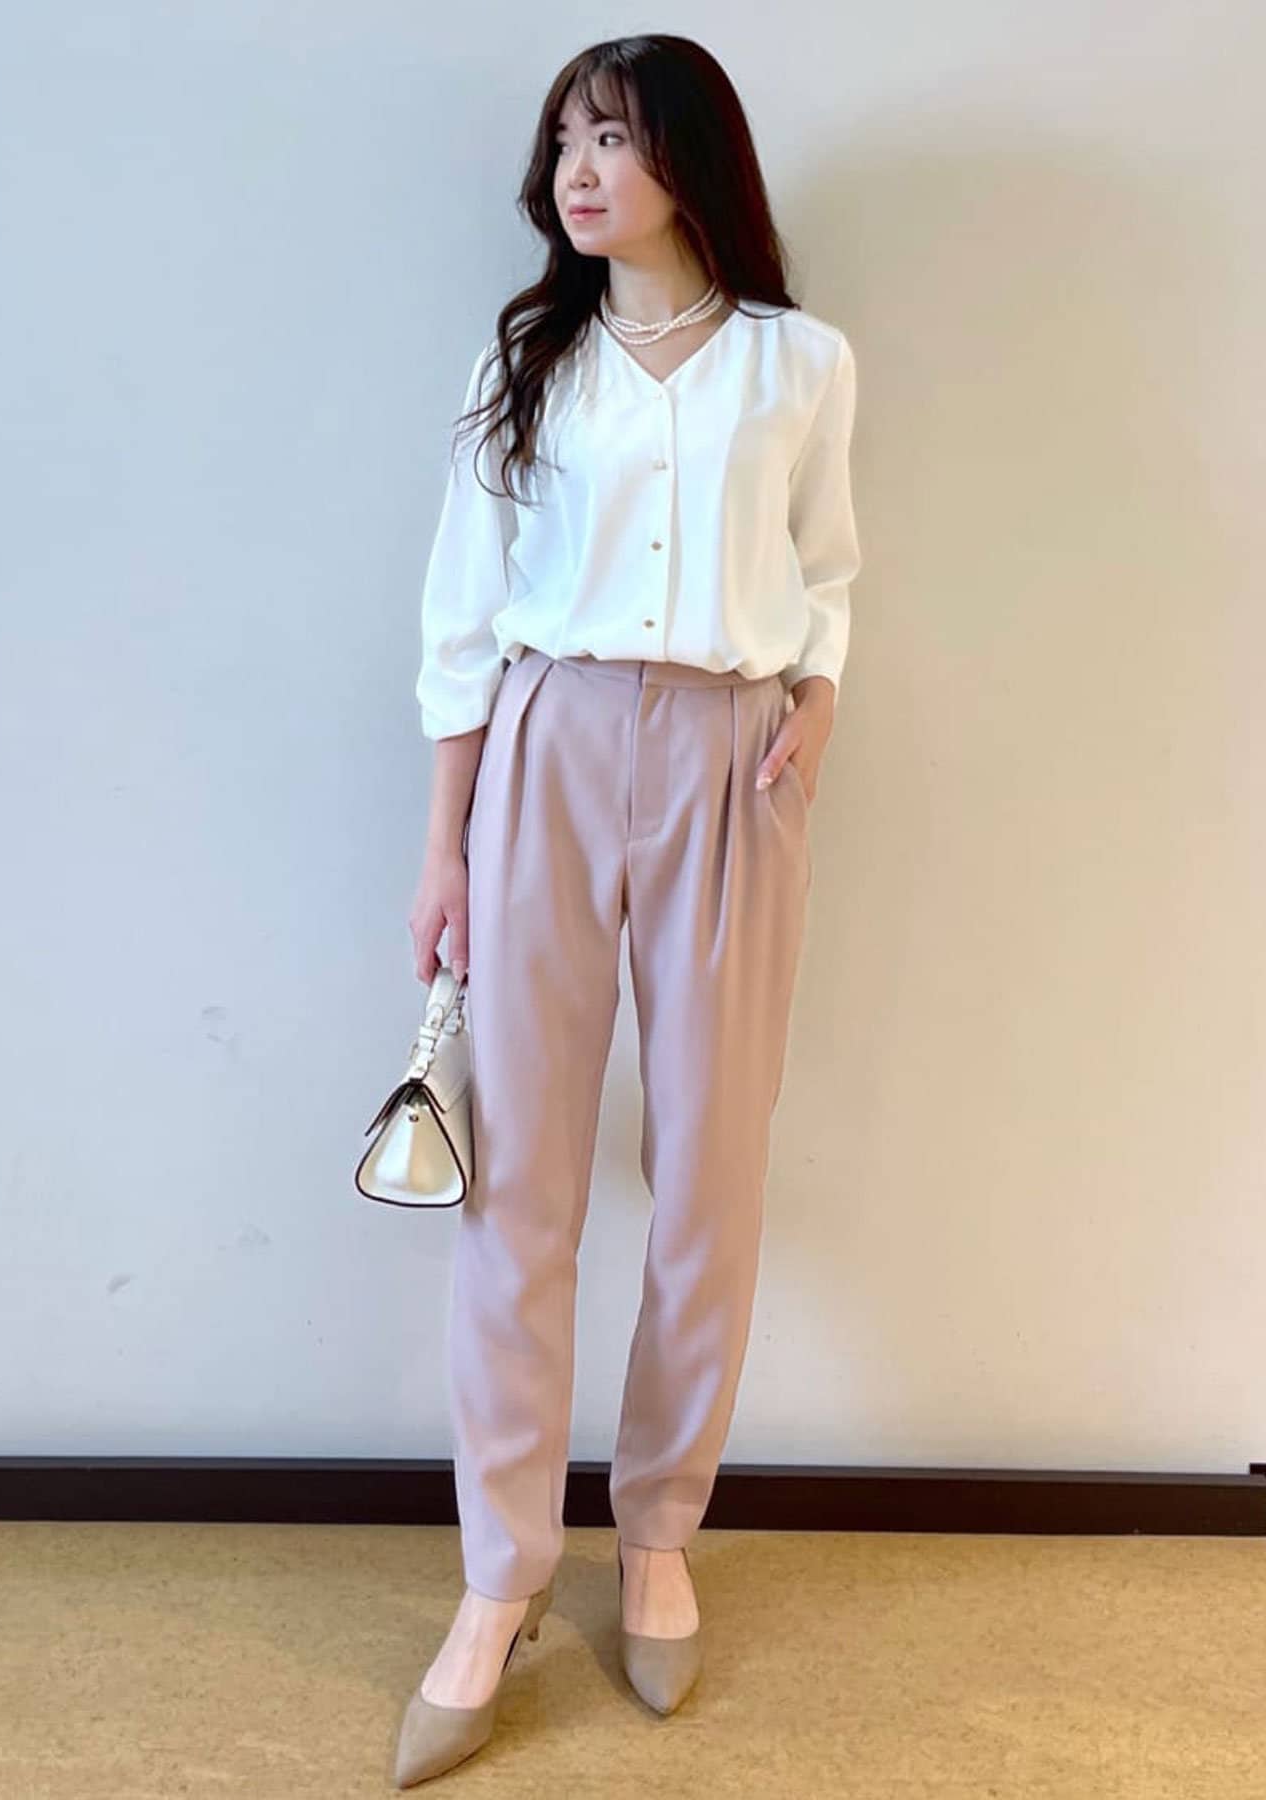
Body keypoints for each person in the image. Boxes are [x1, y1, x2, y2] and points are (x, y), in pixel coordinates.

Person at [396, 32, 860, 1788]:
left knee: (709, 1174)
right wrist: (445, 850)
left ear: (691, 158)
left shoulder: (799, 363)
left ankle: (657, 1532)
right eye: (565, 142)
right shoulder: (529, 359)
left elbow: (827, 567)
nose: (578, 172)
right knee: (518, 1180)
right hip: (547, 749)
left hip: (736, 767)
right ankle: (499, 1575)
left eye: (613, 138)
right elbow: (462, 610)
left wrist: (819, 700)